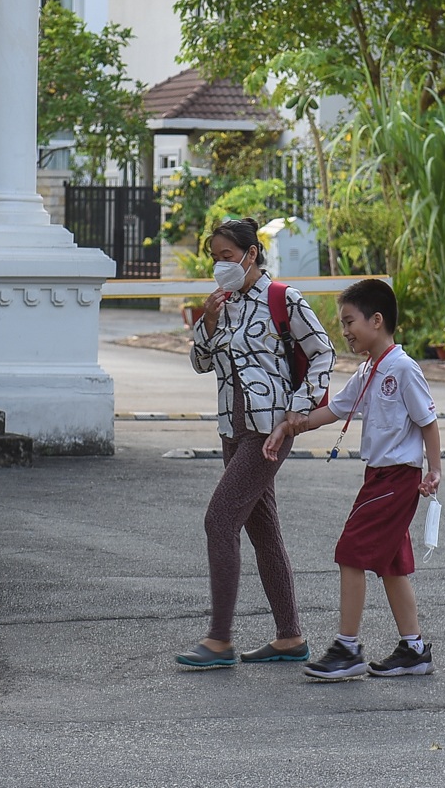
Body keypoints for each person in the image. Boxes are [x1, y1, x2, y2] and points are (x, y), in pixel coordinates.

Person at [174, 217, 336, 670]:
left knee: (219, 521)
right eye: (214, 258)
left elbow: (324, 351)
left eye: (225, 257)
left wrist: (298, 410)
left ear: (251, 253)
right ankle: (290, 637)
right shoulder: (224, 305)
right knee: (263, 530)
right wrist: (207, 321)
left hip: (269, 432)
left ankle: (219, 639)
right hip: (233, 429)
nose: (218, 266)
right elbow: (201, 364)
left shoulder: (283, 298)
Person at [265, 277, 441, 680]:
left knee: (350, 552)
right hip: (378, 476)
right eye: (342, 324)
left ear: (376, 320)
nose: (344, 331)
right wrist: (289, 427)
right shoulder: (368, 370)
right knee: (392, 565)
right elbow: (334, 410)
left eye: (349, 322)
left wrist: (435, 470)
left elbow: (428, 421)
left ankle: (347, 648)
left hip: (396, 478)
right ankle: (413, 649)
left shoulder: (402, 368)